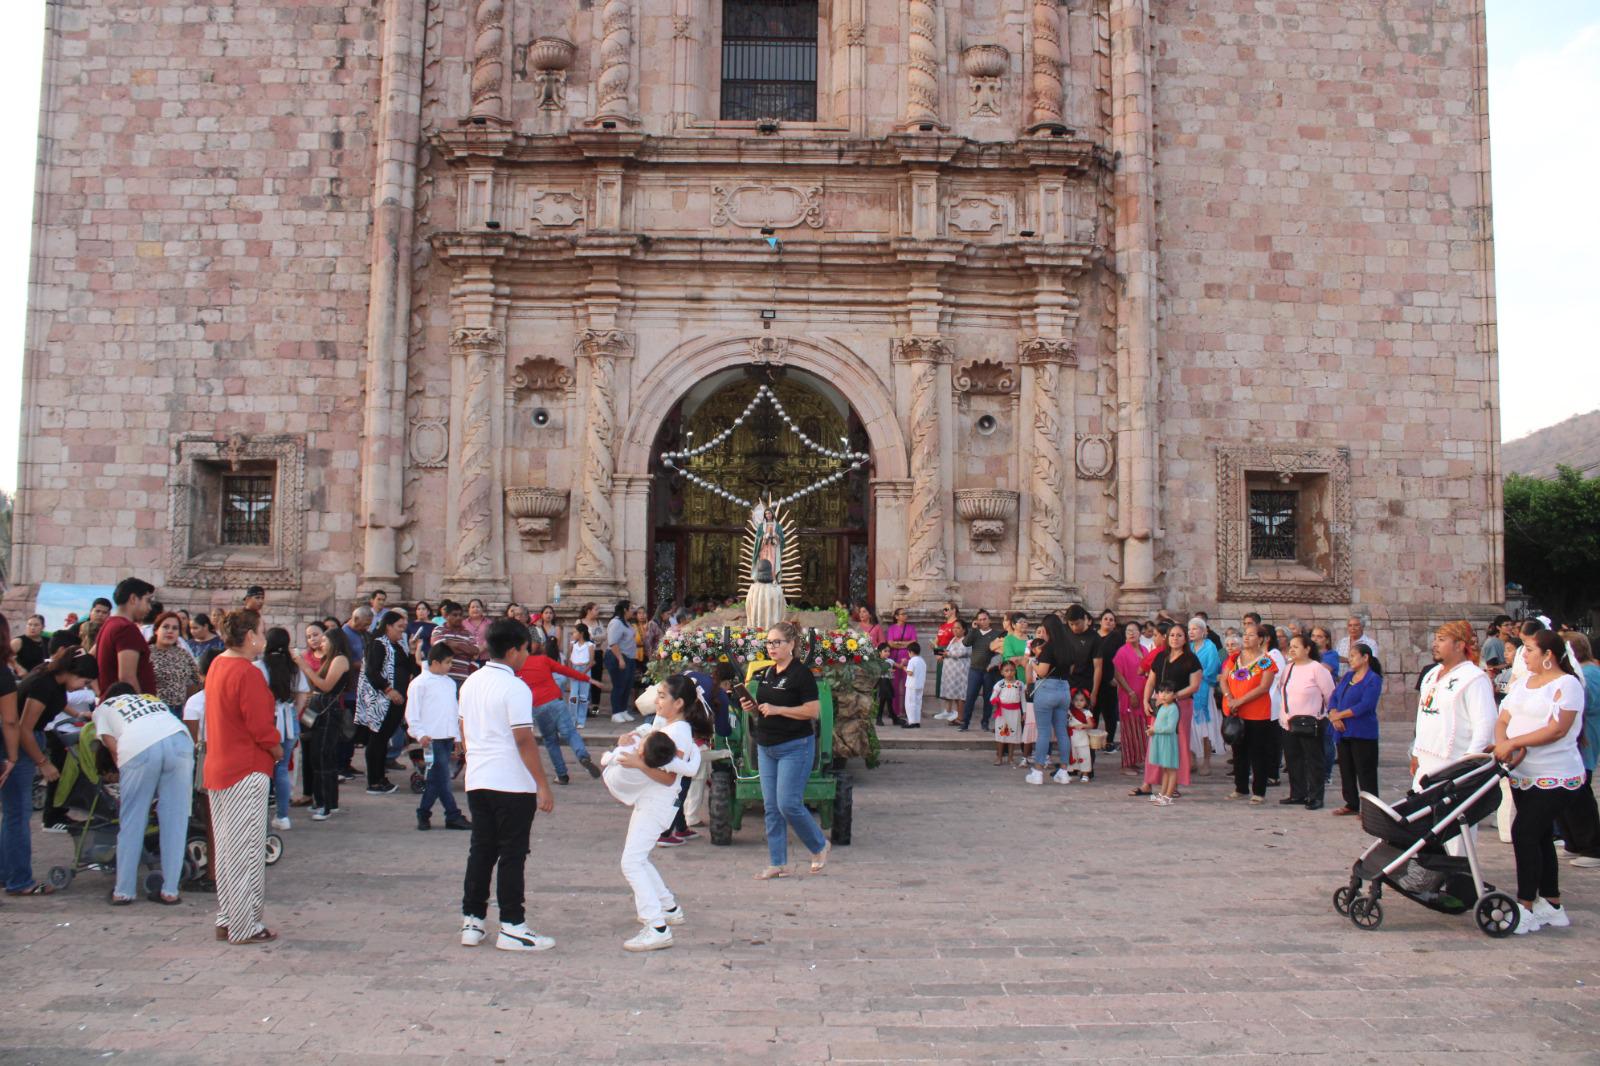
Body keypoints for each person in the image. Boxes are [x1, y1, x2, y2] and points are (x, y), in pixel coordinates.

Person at [458, 618, 556, 952]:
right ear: (513, 650)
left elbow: (463, 728)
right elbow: (523, 739)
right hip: (511, 782)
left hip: (479, 778)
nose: (527, 656)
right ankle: (512, 924)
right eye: (526, 649)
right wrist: (542, 784)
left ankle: (473, 919)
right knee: (513, 853)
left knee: (481, 849)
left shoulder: (471, 682)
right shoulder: (515, 687)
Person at [602, 674, 709, 952]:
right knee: (638, 858)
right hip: (653, 801)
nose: (657, 700)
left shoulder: (678, 733)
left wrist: (637, 763)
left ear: (679, 703)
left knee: (632, 862)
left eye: (663, 696)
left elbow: (669, 778)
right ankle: (669, 907)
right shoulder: (670, 726)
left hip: (657, 803)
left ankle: (656, 926)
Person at [1495, 630, 1586, 933]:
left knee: (1525, 831)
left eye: (1530, 650)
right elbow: (1503, 717)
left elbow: (1557, 728)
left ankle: (1526, 905)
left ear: (1548, 655)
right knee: (1541, 835)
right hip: (1523, 773)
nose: (1525, 655)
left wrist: (1515, 742)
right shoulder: (1522, 684)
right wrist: (1501, 743)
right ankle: (1552, 902)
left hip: (1555, 773)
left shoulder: (1566, 685)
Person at [202, 610, 281, 942]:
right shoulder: (246, 672)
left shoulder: (218, 664)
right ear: (249, 635)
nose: (263, 638)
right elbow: (261, 725)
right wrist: (276, 749)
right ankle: (244, 924)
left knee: (226, 848)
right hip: (245, 766)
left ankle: (227, 916)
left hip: (220, 765)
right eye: (261, 632)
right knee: (246, 850)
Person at [739, 621, 831, 879]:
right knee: (771, 807)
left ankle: (819, 845)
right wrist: (753, 707)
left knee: (788, 803)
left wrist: (780, 710)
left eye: (777, 642)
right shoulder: (768, 673)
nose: (771, 647)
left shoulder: (802, 674)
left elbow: (812, 711)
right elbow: (766, 706)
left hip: (795, 747)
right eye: (768, 642)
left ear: (791, 645)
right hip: (767, 745)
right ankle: (778, 862)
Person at [88, 685, 195, 905]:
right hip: (180, 741)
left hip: (138, 747)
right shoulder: (150, 698)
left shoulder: (103, 708)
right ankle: (170, 891)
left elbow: (114, 749)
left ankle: (124, 891)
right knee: (175, 820)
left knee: (133, 821)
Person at [515, 639, 600, 785]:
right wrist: (588, 679)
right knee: (570, 733)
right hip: (555, 700)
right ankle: (582, 755)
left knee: (550, 741)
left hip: (537, 706)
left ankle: (562, 775)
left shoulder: (516, 669)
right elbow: (566, 671)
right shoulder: (543, 659)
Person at [406, 643, 471, 831]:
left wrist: (457, 737)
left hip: (446, 737)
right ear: (434, 662)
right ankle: (452, 814)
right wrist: (419, 734)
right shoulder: (419, 683)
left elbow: (453, 711)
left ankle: (425, 813)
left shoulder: (449, 683)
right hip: (430, 739)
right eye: (447, 662)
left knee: (437, 779)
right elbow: (412, 713)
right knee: (442, 777)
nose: (450, 666)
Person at [294, 625, 352, 821]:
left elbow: (326, 686)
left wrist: (304, 666)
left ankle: (325, 804)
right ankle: (325, 801)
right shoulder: (329, 659)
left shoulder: (340, 659)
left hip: (328, 711)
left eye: (325, 640)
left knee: (323, 756)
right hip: (316, 708)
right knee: (314, 755)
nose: (321, 643)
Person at [1135, 624, 1200, 797]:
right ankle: (1148, 782)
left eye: (1179, 635)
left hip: (1181, 705)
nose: (1175, 638)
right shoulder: (1161, 657)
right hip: (1160, 704)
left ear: (1185, 638)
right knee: (1156, 740)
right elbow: (1151, 680)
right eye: (1172, 635)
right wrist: (1145, 700)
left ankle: (1173, 785)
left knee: (1178, 743)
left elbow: (1194, 685)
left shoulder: (1191, 660)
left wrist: (1175, 696)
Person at [356, 610, 415, 794]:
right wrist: (389, 690)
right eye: (399, 627)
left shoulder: (397, 645)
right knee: (378, 739)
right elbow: (372, 672)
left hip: (396, 700)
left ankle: (381, 777)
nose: (401, 631)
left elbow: (410, 667)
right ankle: (374, 781)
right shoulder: (378, 644)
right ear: (388, 626)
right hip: (381, 701)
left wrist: (412, 651)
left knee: (383, 739)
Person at [1276, 632, 1336, 810]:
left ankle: (1316, 796)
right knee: (1293, 758)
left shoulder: (1317, 669)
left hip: (1312, 721)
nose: (1292, 650)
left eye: (1296, 646)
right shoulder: (1289, 668)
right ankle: (1298, 793)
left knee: (1313, 759)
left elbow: (1330, 694)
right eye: (1291, 646)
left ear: (1307, 649)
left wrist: (1326, 714)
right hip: (1289, 721)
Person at [1222, 623, 1279, 804]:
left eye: (1252, 635)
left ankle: (1259, 791)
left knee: (1257, 752)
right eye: (1245, 634)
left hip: (1257, 713)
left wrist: (1240, 700)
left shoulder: (1266, 661)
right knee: (1238, 751)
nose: (1246, 638)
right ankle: (1240, 787)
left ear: (1261, 639)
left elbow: (1263, 687)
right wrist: (1229, 697)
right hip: (1235, 711)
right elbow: (1223, 679)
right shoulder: (1235, 657)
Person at [257, 628, 306, 831]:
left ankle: (258, 816)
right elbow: (302, 694)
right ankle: (282, 816)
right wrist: (294, 712)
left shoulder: (259, 666)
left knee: (261, 769)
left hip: (268, 720)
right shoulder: (294, 667)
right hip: (288, 720)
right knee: (282, 768)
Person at [1329, 644, 1383, 816]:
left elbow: (1365, 705)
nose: (1350, 659)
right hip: (1343, 730)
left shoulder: (1373, 679)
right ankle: (1351, 803)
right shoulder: (1348, 676)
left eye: (1353, 656)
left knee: (1365, 770)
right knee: (1347, 769)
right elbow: (1335, 696)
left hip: (1362, 731)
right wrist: (1333, 713)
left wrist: (1340, 715)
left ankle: (1370, 808)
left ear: (1365, 657)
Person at [1025, 614, 1077, 786]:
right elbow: (1071, 668)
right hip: (1064, 689)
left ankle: (1038, 771)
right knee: (1062, 731)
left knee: (1044, 732)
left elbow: (1042, 672)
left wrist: (1033, 663)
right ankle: (1063, 771)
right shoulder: (1069, 646)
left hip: (1047, 689)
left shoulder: (1049, 648)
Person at [1565, 633, 1600, 868]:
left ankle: (1592, 846)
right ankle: (1574, 841)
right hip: (1579, 741)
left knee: (1581, 793)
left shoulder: (1588, 674)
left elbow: (1584, 704)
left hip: (1585, 740)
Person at [96, 577, 157, 694]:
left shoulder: (109, 624)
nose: (150, 608)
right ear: (133, 599)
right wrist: (141, 706)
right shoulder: (126, 628)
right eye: (147, 601)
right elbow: (127, 678)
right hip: (126, 707)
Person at [148, 610, 203, 716]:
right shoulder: (147, 653)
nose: (170, 631)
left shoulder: (183, 654)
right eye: (166, 627)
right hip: (154, 711)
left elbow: (197, 680)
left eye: (175, 628)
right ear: (156, 630)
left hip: (178, 711)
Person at [1187, 617, 1222, 775]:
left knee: (1205, 726)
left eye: (1195, 629)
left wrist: (1197, 678)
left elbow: (1212, 669)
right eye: (1190, 629)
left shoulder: (1210, 647)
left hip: (1204, 690)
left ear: (1203, 631)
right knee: (1190, 727)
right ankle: (1192, 758)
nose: (1191, 632)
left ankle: (1206, 760)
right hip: (1188, 690)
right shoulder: (1188, 648)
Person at [1113, 621, 1149, 774]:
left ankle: (1135, 760)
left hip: (1143, 694)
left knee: (1140, 729)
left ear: (1140, 633)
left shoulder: (1144, 649)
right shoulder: (1122, 651)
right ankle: (1126, 764)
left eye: (1134, 630)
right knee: (1129, 729)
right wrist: (1130, 692)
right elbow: (1117, 673)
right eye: (1128, 630)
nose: (1131, 633)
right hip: (1129, 694)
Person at [960, 610, 1001, 731]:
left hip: (990, 671)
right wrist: (972, 629)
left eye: (985, 619)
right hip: (975, 670)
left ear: (990, 620)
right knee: (970, 696)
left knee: (988, 698)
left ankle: (985, 723)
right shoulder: (975, 633)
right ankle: (965, 723)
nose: (982, 621)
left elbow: (999, 651)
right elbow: (965, 643)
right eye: (980, 619)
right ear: (977, 621)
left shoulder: (997, 634)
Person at [1146, 683, 1181, 807]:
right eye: (1162, 692)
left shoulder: (1173, 708)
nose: (1164, 695)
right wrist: (1153, 728)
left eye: (1168, 692)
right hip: (1161, 740)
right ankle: (1162, 794)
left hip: (1168, 742)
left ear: (1174, 694)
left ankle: (1168, 796)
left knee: (1171, 770)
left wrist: (1155, 729)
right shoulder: (1162, 707)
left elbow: (1170, 728)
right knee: (1165, 769)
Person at [1093, 609, 1123, 752]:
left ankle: (1109, 741)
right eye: (1106, 619)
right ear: (1101, 621)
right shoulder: (1093, 636)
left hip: (1109, 679)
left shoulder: (1117, 637)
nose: (1108, 621)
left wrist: (1116, 677)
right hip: (1093, 679)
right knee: (1093, 710)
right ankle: (1092, 740)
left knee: (1109, 713)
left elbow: (1120, 659)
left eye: (1111, 620)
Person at [434, 602, 482, 688]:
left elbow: (476, 651)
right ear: (446, 616)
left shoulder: (468, 634)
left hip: (463, 679)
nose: (458, 618)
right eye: (455, 615)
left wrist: (454, 644)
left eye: (460, 615)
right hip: (443, 678)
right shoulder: (439, 630)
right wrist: (467, 651)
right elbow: (441, 650)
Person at [606, 600, 638, 724]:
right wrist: (620, 659)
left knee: (627, 685)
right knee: (619, 685)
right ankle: (616, 712)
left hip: (629, 657)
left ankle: (623, 710)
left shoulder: (627, 623)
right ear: (625, 609)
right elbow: (613, 643)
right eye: (631, 608)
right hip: (617, 657)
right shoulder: (616, 622)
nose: (633, 611)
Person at [885, 608, 917, 723]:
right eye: (903, 614)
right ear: (896, 616)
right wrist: (905, 644)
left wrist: (899, 643)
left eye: (906, 614)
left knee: (907, 685)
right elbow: (890, 643)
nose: (905, 616)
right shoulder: (891, 628)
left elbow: (914, 642)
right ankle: (895, 711)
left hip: (909, 659)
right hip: (894, 659)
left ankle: (908, 710)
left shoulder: (911, 628)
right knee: (894, 685)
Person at [935, 619, 970, 722]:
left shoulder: (966, 639)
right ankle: (952, 712)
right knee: (953, 693)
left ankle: (960, 715)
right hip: (950, 672)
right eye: (954, 628)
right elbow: (948, 651)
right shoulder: (953, 639)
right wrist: (940, 653)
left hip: (960, 671)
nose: (955, 630)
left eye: (958, 628)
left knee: (960, 694)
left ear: (964, 630)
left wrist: (947, 654)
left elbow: (962, 652)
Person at [990, 660, 1024, 766]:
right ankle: (999, 757)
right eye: (1007, 670)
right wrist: (996, 701)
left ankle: (1010, 758)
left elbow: (1023, 700)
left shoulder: (1019, 684)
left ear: (1015, 671)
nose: (1009, 673)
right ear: (1002, 672)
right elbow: (992, 698)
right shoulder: (999, 684)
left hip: (1015, 712)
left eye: (1012, 670)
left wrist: (1025, 713)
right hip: (1003, 713)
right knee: (1001, 735)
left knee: (1012, 735)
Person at [568, 623, 596, 730]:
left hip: (585, 670)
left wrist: (584, 673)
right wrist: (570, 671)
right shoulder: (573, 644)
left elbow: (591, 661)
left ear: (581, 633)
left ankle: (581, 720)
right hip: (575, 669)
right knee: (573, 696)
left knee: (583, 696)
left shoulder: (589, 645)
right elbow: (570, 658)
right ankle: (572, 719)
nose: (573, 634)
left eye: (575, 632)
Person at [1066, 688, 1096, 782]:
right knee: (1072, 756)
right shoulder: (1069, 712)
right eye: (1076, 700)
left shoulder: (1087, 713)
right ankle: (1069, 772)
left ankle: (1085, 774)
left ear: (1086, 702)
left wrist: (1083, 725)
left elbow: (1091, 725)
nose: (1078, 702)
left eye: (1081, 700)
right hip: (1072, 738)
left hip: (1082, 739)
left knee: (1084, 756)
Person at [896, 640, 926, 728]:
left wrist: (904, 667)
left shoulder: (912, 660)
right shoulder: (922, 660)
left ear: (911, 652)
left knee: (910, 704)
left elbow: (910, 673)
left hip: (912, 685)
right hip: (920, 685)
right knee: (917, 704)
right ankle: (917, 721)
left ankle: (911, 722)